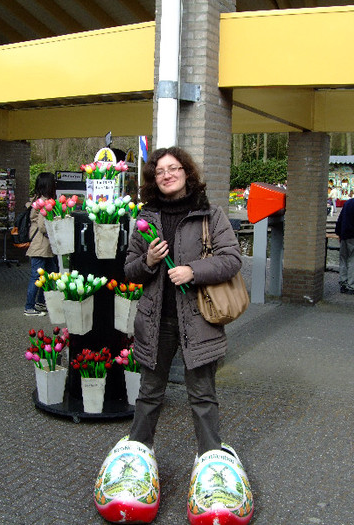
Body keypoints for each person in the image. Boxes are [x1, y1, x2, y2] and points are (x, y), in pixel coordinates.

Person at [98, 147, 249, 523]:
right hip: (157, 319)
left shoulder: (210, 215)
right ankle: (137, 455)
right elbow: (130, 269)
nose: (167, 175)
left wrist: (193, 270)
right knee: (150, 391)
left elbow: (232, 258)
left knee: (203, 394)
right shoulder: (146, 218)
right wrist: (149, 261)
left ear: (187, 173)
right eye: (160, 171)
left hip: (198, 319)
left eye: (174, 168)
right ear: (154, 178)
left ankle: (212, 466)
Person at [24, 172, 59, 316]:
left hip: (44, 246)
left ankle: (40, 302)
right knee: (37, 277)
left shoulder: (37, 200)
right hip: (40, 245)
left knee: (50, 274)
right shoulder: (44, 202)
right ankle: (29, 307)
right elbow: (43, 226)